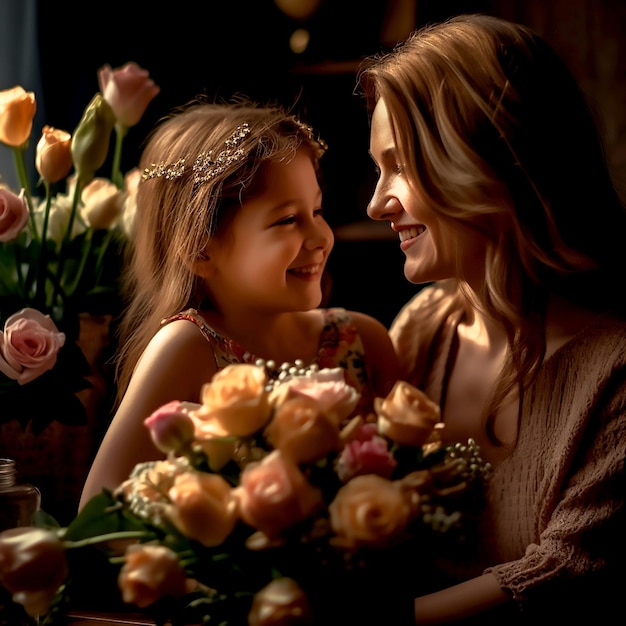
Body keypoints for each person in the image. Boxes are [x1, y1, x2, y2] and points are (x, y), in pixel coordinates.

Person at [358, 13, 626, 625]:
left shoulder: (614, 369)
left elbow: (565, 578)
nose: (377, 203)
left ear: (489, 159)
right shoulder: (424, 328)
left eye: (400, 165)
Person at [79, 98, 399, 507]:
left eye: (317, 210)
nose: (320, 237)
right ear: (200, 250)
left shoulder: (364, 342)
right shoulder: (186, 348)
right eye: (286, 220)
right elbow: (98, 512)